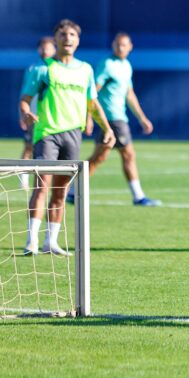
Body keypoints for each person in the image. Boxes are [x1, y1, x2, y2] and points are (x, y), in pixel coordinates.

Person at [20, 19, 115, 255]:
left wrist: (107, 128)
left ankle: (50, 242)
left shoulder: (85, 70)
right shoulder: (43, 69)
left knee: (61, 191)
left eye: (72, 34)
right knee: (41, 187)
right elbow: (25, 99)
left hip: (73, 135)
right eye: (63, 34)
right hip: (47, 134)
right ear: (56, 39)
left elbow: (92, 103)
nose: (68, 38)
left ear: (78, 40)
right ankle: (31, 240)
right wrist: (26, 112)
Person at [68, 32, 160, 206]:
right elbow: (92, 92)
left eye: (124, 45)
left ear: (130, 47)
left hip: (119, 117)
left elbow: (129, 93)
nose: (120, 47)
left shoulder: (126, 66)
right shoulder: (107, 65)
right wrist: (87, 117)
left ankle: (73, 191)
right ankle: (138, 196)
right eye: (117, 44)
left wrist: (142, 118)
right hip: (111, 119)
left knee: (99, 157)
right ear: (113, 45)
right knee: (128, 154)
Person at [18, 37, 56, 189]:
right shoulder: (33, 69)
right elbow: (24, 95)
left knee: (51, 150)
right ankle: (24, 180)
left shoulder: (58, 68)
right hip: (33, 117)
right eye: (42, 47)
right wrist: (23, 114)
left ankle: (53, 183)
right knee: (29, 147)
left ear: (54, 48)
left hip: (52, 118)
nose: (45, 50)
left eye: (48, 47)